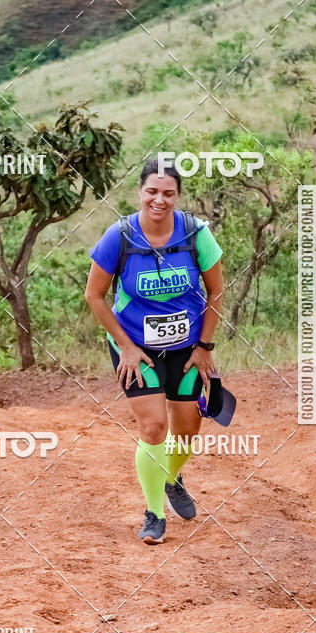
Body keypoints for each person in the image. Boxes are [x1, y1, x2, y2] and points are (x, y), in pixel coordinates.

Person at [85, 158, 224, 544]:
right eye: (152, 191)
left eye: (168, 193)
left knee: (187, 429)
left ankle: (171, 477)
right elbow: (94, 296)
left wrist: (205, 346)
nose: (159, 200)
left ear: (177, 196)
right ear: (140, 193)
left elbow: (216, 291)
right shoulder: (120, 235)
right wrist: (126, 348)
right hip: (136, 348)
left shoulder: (196, 234)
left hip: (187, 348)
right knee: (153, 427)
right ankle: (154, 514)